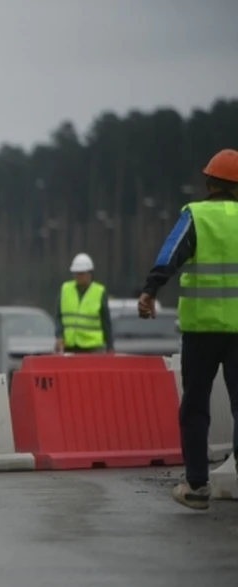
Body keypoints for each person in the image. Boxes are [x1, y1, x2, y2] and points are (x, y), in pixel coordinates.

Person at [137, 148, 238, 510]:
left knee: (196, 405)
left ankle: (197, 485)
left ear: (209, 182)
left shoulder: (196, 215)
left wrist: (150, 290)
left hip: (202, 329)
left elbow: (170, 254)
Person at [54, 253, 114, 354]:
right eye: (76, 273)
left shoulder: (99, 292)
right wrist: (59, 336)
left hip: (93, 347)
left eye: (82, 273)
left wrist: (110, 345)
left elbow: (106, 321)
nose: (78, 276)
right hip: (70, 345)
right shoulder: (65, 289)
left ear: (89, 273)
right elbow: (58, 316)